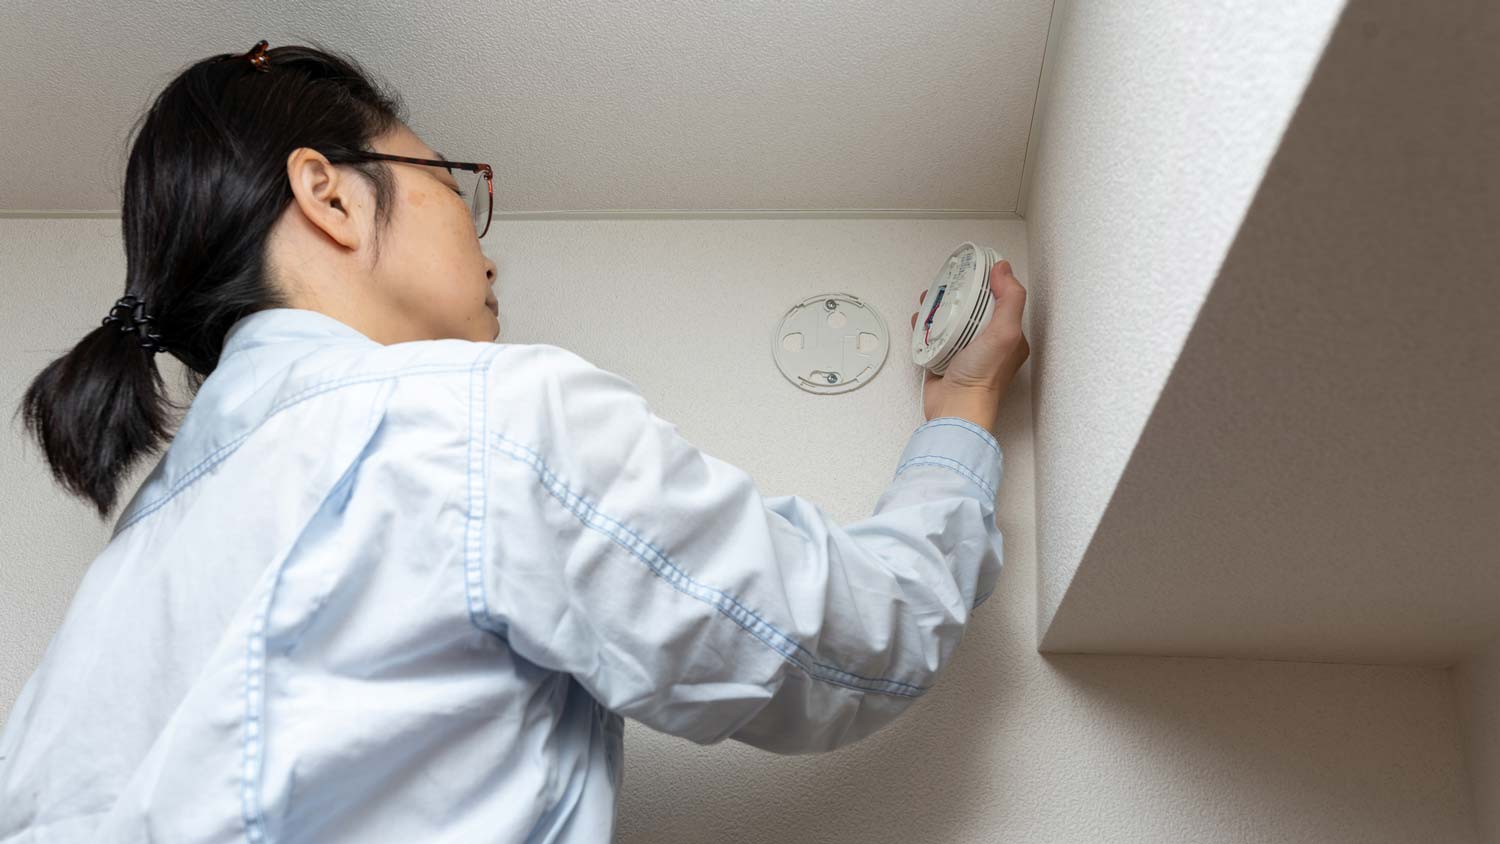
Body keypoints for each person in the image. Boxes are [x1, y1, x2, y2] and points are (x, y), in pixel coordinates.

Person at [0, 40, 1030, 843]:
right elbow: (846, 645)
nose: (485, 247)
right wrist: (964, 419)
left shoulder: (124, 576)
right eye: (453, 185)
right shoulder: (477, 420)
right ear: (331, 195)